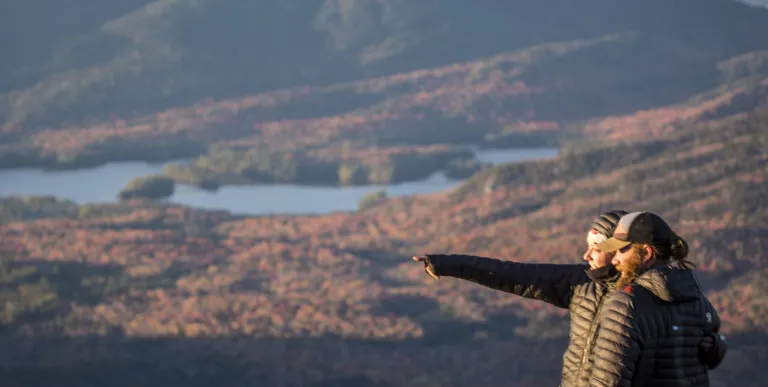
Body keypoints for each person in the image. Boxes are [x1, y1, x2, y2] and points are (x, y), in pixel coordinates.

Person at [413, 210, 726, 387]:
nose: (588, 254)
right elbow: (513, 275)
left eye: (599, 248)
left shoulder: (633, 300)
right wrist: (447, 264)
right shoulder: (582, 283)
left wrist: (714, 346)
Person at [589, 211, 726, 386]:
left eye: (622, 250)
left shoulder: (626, 304)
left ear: (646, 254)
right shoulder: (696, 299)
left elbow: (608, 381)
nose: (615, 259)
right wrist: (717, 346)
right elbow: (710, 354)